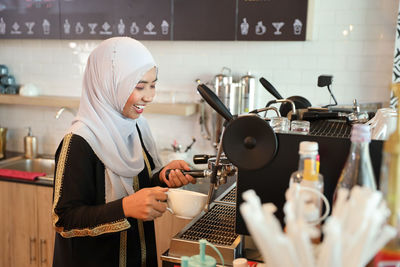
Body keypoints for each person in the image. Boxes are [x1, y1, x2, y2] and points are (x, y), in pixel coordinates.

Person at [52, 37, 196, 267]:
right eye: (139, 86)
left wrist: (162, 177)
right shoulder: (79, 141)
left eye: (153, 85)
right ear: (110, 84)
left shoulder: (137, 127)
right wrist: (125, 208)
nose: (149, 96)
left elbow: (139, 186)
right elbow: (64, 219)